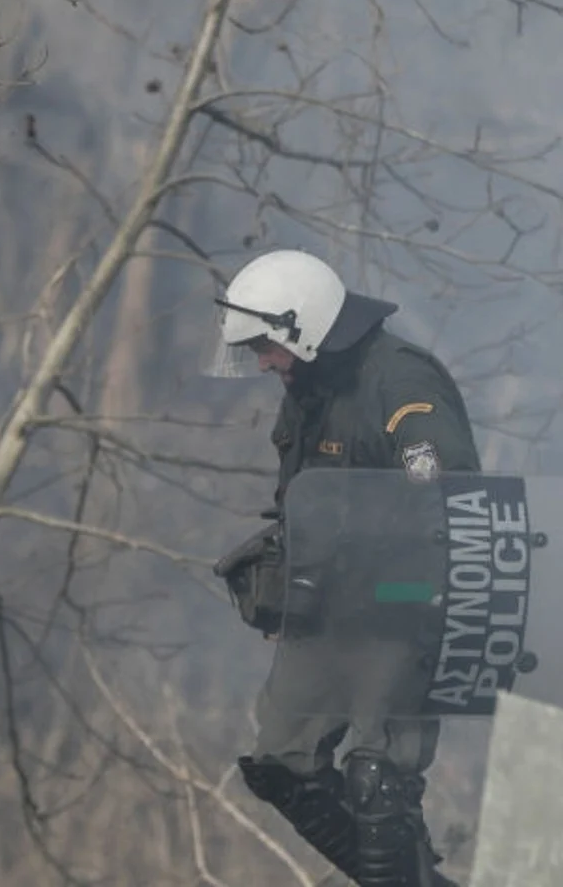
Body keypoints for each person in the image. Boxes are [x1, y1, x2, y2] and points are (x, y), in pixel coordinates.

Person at [206, 249, 478, 887]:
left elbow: (441, 482)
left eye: (266, 347)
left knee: (378, 779)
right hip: (334, 609)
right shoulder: (306, 390)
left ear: (305, 328)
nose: (263, 363)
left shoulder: (399, 381)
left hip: (406, 599)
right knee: (282, 764)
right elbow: (305, 503)